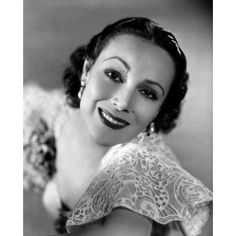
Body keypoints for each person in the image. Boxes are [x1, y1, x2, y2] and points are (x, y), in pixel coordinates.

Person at [24, 17, 212, 236]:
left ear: (159, 110)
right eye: (114, 75)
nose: (122, 102)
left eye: (148, 93)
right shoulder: (58, 113)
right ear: (87, 70)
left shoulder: (139, 177)